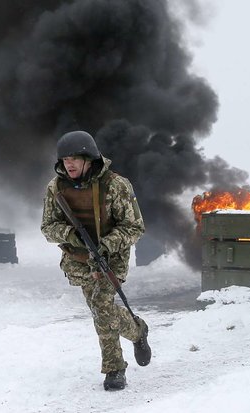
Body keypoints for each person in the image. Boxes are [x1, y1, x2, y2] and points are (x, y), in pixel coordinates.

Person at [41, 130, 151, 391]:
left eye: (75, 159)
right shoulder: (56, 188)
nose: (69, 164)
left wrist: (107, 245)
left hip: (110, 258)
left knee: (102, 307)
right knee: (100, 312)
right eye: (65, 159)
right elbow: (47, 227)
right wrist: (70, 235)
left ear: (89, 159)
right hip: (78, 260)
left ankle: (114, 370)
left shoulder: (116, 186)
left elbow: (135, 227)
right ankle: (138, 330)